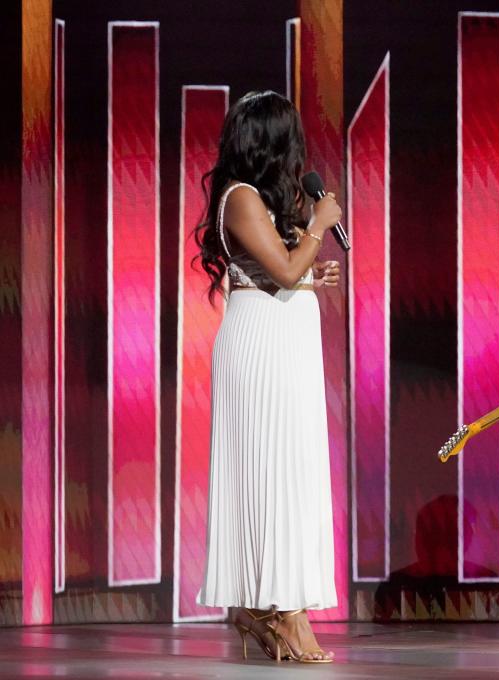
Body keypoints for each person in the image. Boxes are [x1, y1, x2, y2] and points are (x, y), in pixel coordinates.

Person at [193, 90, 343, 664]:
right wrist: (317, 228)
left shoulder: (257, 200)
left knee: (294, 471)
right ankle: (282, 611)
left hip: (287, 340)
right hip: (261, 347)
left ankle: (272, 609)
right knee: (272, 472)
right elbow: (281, 269)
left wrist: (309, 272)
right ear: (274, 143)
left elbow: (284, 275)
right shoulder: (240, 197)